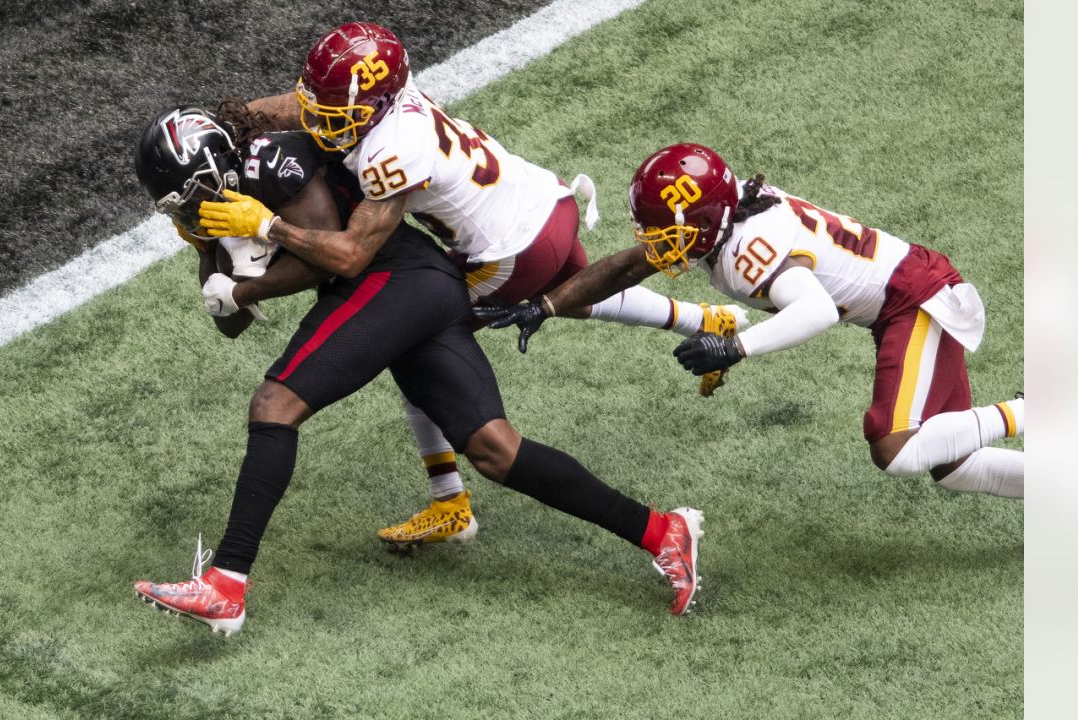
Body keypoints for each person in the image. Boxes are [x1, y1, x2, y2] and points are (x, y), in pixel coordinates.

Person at [131, 106, 707, 634]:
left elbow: (329, 258)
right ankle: (662, 531)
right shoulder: (228, 198)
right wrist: (206, 251)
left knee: (274, 405)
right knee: (495, 450)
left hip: (393, 280)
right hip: (413, 289)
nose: (182, 208)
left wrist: (246, 270)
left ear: (214, 167)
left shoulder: (274, 161)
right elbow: (230, 319)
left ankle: (226, 583)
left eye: (185, 195)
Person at [204, 22, 743, 547]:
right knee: (571, 292)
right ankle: (701, 319)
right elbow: (308, 106)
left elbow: (350, 256)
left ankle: (449, 501)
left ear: (374, 106)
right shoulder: (396, 92)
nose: (324, 119)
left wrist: (266, 224)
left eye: (337, 112)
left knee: (406, 328)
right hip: (544, 204)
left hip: (507, 250)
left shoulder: (388, 150)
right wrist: (227, 125)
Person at [476, 143, 1024, 499]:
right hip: (902, 295)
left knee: (895, 444)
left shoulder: (747, 249)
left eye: (672, 234)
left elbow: (815, 311)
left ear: (708, 219)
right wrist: (544, 306)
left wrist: (735, 348)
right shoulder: (730, 212)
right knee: (954, 464)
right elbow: (626, 265)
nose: (662, 248)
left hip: (915, 300)